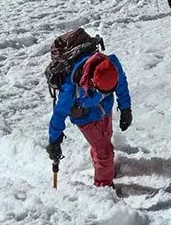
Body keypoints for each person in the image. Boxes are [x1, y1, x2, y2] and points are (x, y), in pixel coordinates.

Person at [46, 50, 132, 189]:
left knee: (104, 142)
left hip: (105, 110)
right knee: (103, 150)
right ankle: (104, 185)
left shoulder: (112, 65)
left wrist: (126, 108)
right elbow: (59, 115)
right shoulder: (71, 86)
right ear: (92, 81)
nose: (106, 93)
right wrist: (54, 142)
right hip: (86, 119)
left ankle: (105, 169)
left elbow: (121, 85)